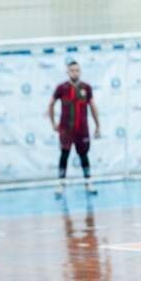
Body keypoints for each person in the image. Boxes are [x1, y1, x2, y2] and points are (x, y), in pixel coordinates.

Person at [48, 60, 100, 196]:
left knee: (83, 155)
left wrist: (98, 125)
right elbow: (51, 104)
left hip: (82, 129)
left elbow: (93, 106)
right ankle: (60, 184)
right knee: (64, 155)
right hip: (66, 129)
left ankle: (88, 183)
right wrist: (53, 123)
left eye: (77, 70)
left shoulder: (86, 88)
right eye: (72, 70)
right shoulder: (61, 88)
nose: (74, 72)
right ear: (67, 72)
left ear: (80, 71)